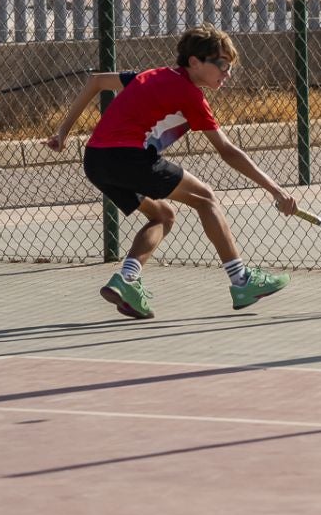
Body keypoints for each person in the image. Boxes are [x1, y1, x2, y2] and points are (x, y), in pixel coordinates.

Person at [47, 25, 295, 318]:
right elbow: (227, 150)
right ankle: (241, 280)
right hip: (129, 157)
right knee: (205, 198)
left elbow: (97, 81)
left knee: (162, 215)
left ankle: (126, 280)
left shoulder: (153, 75)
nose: (227, 73)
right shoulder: (191, 96)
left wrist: (63, 133)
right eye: (222, 65)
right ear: (194, 62)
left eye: (230, 67)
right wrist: (275, 190)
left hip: (96, 161)